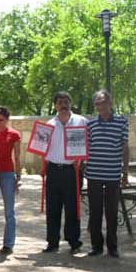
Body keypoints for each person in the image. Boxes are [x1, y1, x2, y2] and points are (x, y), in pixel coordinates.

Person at [42, 91, 88, 254]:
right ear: (55, 105)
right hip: (53, 170)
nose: (63, 104)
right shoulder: (49, 124)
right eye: (60, 102)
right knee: (53, 208)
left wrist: (82, 160)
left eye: (66, 101)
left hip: (72, 171)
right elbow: (42, 147)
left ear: (71, 103)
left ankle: (74, 241)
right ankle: (52, 242)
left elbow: (87, 144)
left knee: (72, 208)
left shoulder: (82, 121)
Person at [85, 90, 128, 258]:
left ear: (110, 102)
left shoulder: (122, 122)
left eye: (101, 102)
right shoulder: (90, 124)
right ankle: (96, 246)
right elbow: (85, 148)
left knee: (111, 212)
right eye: (96, 103)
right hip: (94, 174)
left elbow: (125, 147)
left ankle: (112, 246)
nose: (98, 106)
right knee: (95, 211)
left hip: (112, 174)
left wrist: (125, 171)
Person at [0, 106, 21, 254]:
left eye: (1, 120)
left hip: (7, 173)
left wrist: (18, 177)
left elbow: (17, 157)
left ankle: (8, 243)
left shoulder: (14, 135)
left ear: (7, 119)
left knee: (9, 210)